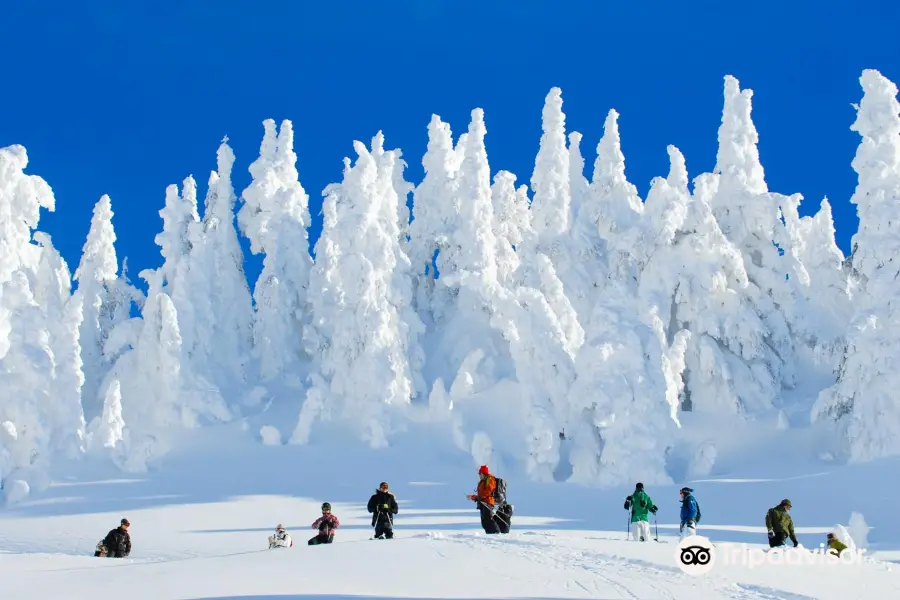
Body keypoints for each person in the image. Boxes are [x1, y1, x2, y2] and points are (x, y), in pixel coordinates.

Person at [466, 465, 510, 534]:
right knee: (484, 522)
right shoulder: (483, 481)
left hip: (488, 502)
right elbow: (482, 493)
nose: (479, 475)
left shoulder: (490, 479)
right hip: (483, 503)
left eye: (480, 473)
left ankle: (496, 533)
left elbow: (488, 491)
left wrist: (475, 497)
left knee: (488, 520)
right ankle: (490, 534)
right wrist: (474, 497)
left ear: (483, 473)